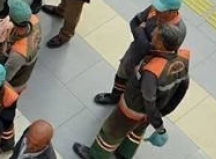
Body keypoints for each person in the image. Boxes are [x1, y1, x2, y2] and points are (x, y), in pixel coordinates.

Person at [74, 24, 190, 159]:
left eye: (156, 35)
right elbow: (183, 87)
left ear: (161, 43)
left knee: (112, 131)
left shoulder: (153, 72)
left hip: (132, 108)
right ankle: (124, 154)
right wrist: (161, 113)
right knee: (136, 132)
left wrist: (158, 126)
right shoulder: (183, 59)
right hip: (152, 112)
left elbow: (149, 99)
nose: (152, 35)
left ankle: (96, 155)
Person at [94, 0, 186, 106]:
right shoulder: (154, 9)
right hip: (134, 53)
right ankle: (115, 96)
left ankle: (127, 103)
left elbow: (165, 53)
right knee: (122, 73)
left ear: (172, 12)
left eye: (161, 10)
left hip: (148, 64)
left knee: (137, 86)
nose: (156, 11)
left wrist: (141, 32)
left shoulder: (178, 31)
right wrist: (144, 40)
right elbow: (134, 22)